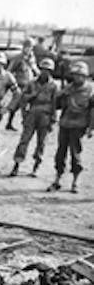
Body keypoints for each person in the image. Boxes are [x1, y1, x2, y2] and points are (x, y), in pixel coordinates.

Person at [48, 62, 94, 193]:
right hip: (65, 124)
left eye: (79, 75)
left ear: (85, 76)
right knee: (60, 153)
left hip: (79, 126)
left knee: (75, 154)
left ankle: (75, 181)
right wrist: (59, 96)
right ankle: (57, 179)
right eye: (75, 75)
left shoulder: (90, 91)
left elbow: (92, 111)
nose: (76, 78)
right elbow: (57, 105)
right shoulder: (68, 88)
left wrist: (91, 128)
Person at [10, 57, 58, 177]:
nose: (45, 72)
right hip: (32, 113)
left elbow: (55, 104)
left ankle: (35, 167)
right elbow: (23, 98)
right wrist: (24, 114)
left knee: (41, 143)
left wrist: (53, 120)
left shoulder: (53, 86)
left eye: (48, 70)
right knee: (24, 140)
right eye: (43, 69)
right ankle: (17, 165)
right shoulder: (32, 83)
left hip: (45, 116)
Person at [6, 39, 39, 130]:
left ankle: (11, 123)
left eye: (31, 48)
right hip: (20, 85)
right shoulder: (18, 58)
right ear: (24, 48)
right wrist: (12, 83)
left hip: (29, 85)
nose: (29, 49)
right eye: (27, 47)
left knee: (21, 106)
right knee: (21, 105)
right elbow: (9, 71)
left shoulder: (32, 58)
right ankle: (23, 124)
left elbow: (35, 70)